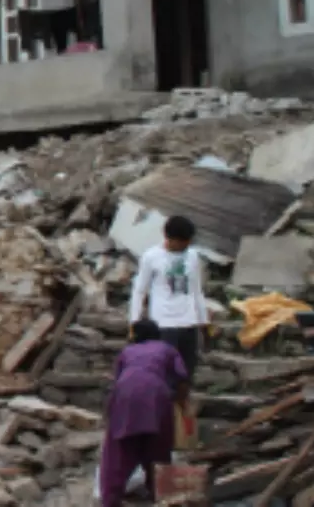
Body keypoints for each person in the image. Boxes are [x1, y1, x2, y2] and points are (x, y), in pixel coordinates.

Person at [99, 320, 190, 507]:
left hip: (124, 395)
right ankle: (159, 493)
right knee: (158, 447)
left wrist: (109, 414)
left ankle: (110, 499)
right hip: (156, 395)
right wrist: (182, 403)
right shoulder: (167, 349)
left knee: (119, 450)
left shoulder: (127, 351)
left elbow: (118, 379)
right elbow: (182, 378)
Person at [128, 215, 208, 380]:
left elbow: (196, 289)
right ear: (169, 238)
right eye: (182, 242)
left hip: (188, 322)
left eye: (188, 241)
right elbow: (139, 290)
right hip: (163, 323)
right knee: (165, 372)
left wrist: (203, 319)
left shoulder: (192, 256)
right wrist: (134, 320)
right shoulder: (151, 256)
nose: (186, 245)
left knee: (186, 374)